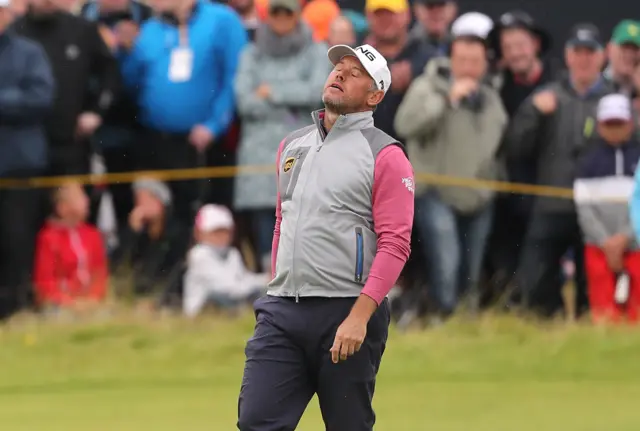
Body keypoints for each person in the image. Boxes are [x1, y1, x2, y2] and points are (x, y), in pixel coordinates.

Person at [237, 44, 414, 430]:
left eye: (354, 74)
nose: (339, 75)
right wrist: (275, 288)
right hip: (283, 310)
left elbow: (396, 244)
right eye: (339, 68)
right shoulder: (291, 146)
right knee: (256, 422)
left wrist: (359, 316)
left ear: (374, 96)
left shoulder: (385, 155)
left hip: (346, 311)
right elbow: (283, 222)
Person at [395, 32, 507, 319]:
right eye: (463, 60)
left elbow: (498, 141)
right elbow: (405, 124)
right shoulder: (427, 87)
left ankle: (464, 320)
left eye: (475, 61)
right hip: (436, 193)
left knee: (471, 268)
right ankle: (444, 316)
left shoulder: (491, 95)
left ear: (485, 64)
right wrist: (447, 99)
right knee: (447, 262)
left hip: (479, 196)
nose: (469, 67)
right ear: (451, 60)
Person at [506, 23, 612, 317]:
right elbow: (515, 147)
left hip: (595, 208)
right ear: (568, 57)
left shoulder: (613, 101)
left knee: (590, 286)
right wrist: (535, 115)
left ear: (601, 57)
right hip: (550, 204)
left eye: (590, 53)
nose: (584, 59)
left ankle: (586, 332)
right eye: (578, 52)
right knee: (534, 283)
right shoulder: (547, 96)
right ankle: (544, 329)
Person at [118, 0, 247, 226]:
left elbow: (234, 76)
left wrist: (214, 124)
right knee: (161, 218)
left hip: (206, 143)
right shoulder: (149, 28)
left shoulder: (222, 20)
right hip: (157, 141)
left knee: (209, 218)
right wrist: (125, 51)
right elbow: (131, 84)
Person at [233, 0, 328, 273]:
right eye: (276, 12)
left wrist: (272, 92)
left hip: (303, 149)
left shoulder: (316, 51)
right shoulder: (251, 53)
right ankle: (269, 283)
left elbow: (318, 94)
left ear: (297, 15)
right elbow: (244, 101)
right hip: (259, 154)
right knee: (266, 223)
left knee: (305, 218)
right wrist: (293, 107)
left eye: (288, 12)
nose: (282, 17)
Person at [484, 10, 556, 301]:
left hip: (549, 189)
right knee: (506, 261)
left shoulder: (557, 81)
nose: (515, 52)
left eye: (520, 44)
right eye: (508, 46)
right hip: (508, 189)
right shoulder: (496, 88)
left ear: (536, 44)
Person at [13, 0, 120, 176]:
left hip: (71, 142)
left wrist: (96, 112)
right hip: (25, 146)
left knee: (77, 202)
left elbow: (109, 73)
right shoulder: (15, 33)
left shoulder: (82, 29)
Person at [0, 0, 54, 319]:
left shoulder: (28, 52)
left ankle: (17, 310)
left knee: (17, 240)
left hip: (18, 164)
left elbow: (40, 98)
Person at [79, 0, 152, 231]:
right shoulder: (84, 18)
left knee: (128, 198)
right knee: (89, 197)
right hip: (91, 123)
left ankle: (129, 255)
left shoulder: (146, 17)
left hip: (134, 125)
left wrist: (131, 49)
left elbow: (147, 75)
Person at [576, 94, 640, 323]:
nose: (614, 130)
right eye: (609, 124)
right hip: (598, 244)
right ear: (600, 126)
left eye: (619, 124)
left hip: (635, 243)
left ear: (630, 124)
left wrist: (625, 237)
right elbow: (584, 208)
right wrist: (606, 241)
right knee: (603, 307)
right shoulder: (588, 161)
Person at [363, 0, 434, 140]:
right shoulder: (355, 59)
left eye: (392, 14)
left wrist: (415, 80)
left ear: (407, 15)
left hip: (414, 153)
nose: (385, 20)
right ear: (368, 17)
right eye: (379, 15)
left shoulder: (427, 57)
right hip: (367, 152)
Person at [33, 183, 108, 313]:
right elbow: (45, 281)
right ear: (62, 207)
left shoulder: (93, 235)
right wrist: (69, 303)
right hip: (62, 305)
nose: (86, 200)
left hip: (91, 303)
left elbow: (99, 272)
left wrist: (93, 299)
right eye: (80, 197)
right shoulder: (48, 238)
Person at [111, 178, 190, 302]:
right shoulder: (137, 232)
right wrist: (132, 233)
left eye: (144, 199)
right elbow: (118, 266)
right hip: (135, 296)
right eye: (137, 199)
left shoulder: (178, 234)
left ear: (159, 202)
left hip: (164, 298)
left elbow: (172, 272)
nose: (139, 205)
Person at [183, 204, 267, 317]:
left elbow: (242, 278)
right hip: (203, 309)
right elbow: (225, 288)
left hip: (231, 301)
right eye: (215, 232)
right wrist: (258, 284)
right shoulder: (199, 255)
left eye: (224, 231)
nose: (220, 236)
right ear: (200, 233)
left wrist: (266, 280)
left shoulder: (233, 254)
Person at [604, 20, 640, 95]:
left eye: (635, 49)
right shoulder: (595, 85)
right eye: (624, 47)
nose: (629, 54)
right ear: (609, 49)